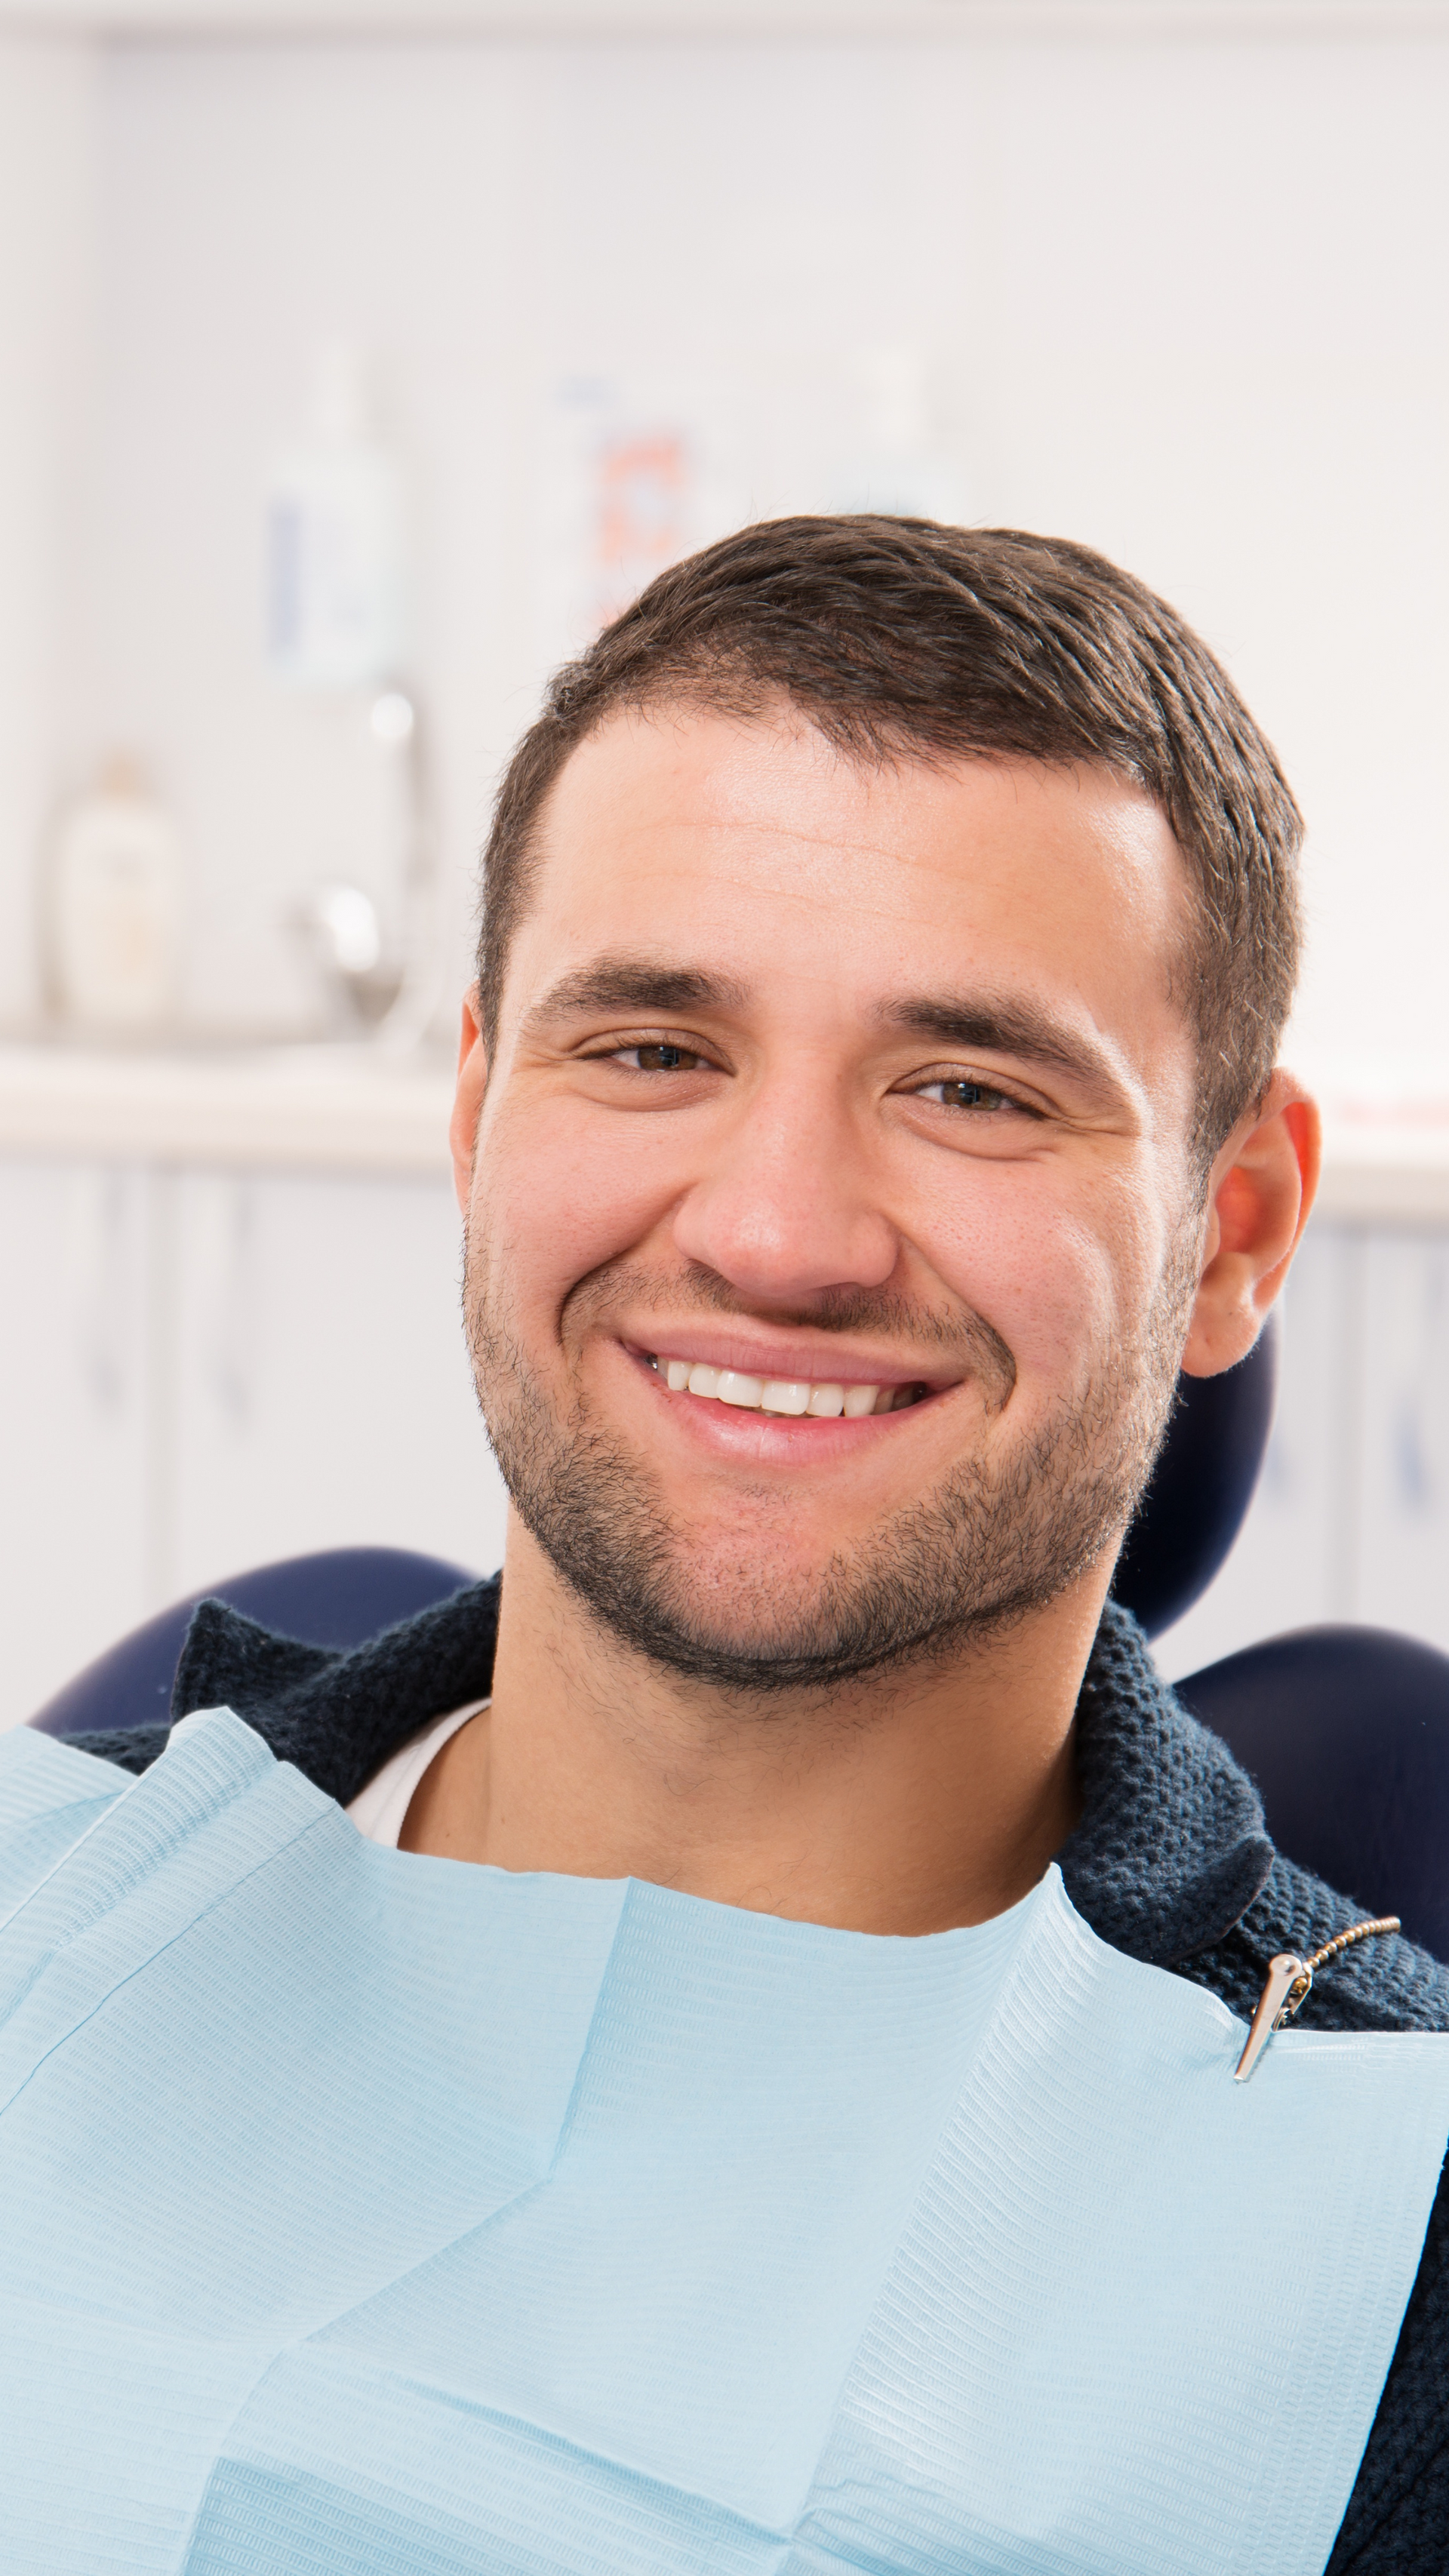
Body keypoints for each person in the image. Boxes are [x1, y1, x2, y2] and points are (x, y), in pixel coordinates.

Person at [4, 518, 1447, 2575]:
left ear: (1236, 1230)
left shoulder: (1391, 2280)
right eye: (654, 1051)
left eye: (970, 1089)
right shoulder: (60, 1899)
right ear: (479, 1114)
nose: (777, 1234)